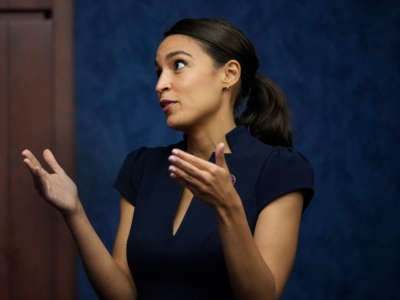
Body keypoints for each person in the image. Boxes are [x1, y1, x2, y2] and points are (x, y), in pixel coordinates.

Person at [21, 18, 314, 300]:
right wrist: (74, 212)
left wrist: (228, 206)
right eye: (158, 71)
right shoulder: (142, 167)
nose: (160, 84)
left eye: (179, 65)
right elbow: (123, 294)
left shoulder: (279, 169)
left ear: (229, 74)